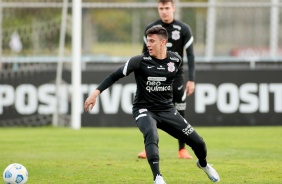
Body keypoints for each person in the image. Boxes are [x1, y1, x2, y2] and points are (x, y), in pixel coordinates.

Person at [84, 26, 220, 183]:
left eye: (152, 41)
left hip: (167, 110)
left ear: (163, 42)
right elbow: (114, 76)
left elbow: (174, 80)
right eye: (147, 40)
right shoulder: (139, 61)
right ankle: (158, 177)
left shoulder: (175, 59)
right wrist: (95, 94)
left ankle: (203, 165)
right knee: (152, 134)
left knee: (199, 143)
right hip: (144, 109)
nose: (148, 44)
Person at [138, 0, 195, 159]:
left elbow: (190, 55)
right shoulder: (152, 28)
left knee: (180, 109)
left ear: (173, 8)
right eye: (161, 8)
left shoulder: (183, 29)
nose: (164, 11)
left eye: (167, 8)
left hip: (176, 76)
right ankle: (149, 147)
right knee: (150, 111)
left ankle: (182, 149)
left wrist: (191, 79)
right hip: (155, 75)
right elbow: (144, 54)